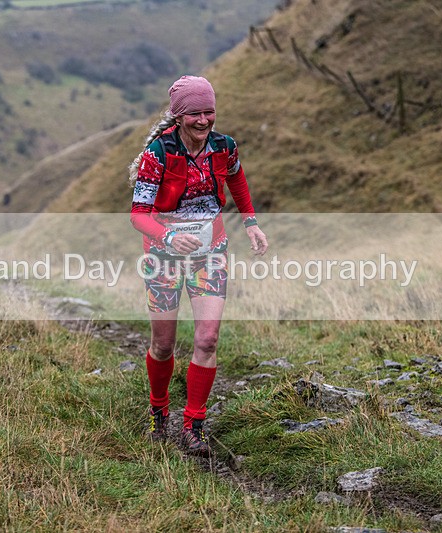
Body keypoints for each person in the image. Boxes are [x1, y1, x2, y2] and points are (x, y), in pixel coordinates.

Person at [129, 75, 268, 455]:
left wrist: (251, 222)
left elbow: (237, 181)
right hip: (163, 258)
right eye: (195, 114)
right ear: (178, 116)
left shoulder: (225, 147)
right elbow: (139, 215)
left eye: (209, 111)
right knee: (163, 343)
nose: (204, 120)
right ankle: (159, 412)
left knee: (207, 339)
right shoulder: (158, 153)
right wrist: (170, 237)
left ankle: (194, 424)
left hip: (210, 254)